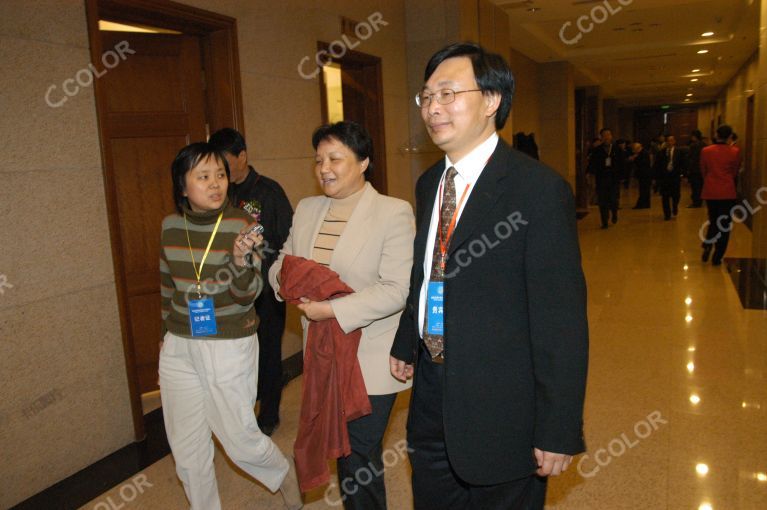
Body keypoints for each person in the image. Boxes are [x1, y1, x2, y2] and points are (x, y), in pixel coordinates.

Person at [390, 42, 588, 510]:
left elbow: (561, 321)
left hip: (502, 404)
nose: (433, 107)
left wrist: (558, 427)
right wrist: (406, 340)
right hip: (432, 398)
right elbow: (427, 272)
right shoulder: (429, 184)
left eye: (448, 93)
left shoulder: (537, 191)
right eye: (426, 96)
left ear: (492, 101)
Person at [269, 121, 415, 509]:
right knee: (343, 452)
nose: (325, 169)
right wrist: (288, 281)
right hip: (323, 356)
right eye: (318, 160)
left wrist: (329, 308)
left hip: (369, 357)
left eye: (335, 158)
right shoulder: (307, 208)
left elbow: (397, 289)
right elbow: (283, 265)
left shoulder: (393, 212)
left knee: (357, 453)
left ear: (364, 161)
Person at [159, 142, 302, 510]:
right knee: (186, 446)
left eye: (220, 175)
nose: (215, 184)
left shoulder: (241, 223)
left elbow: (248, 294)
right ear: (182, 186)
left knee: (237, 437)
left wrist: (240, 260)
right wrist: (166, 339)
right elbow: (166, 287)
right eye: (203, 176)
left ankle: (283, 473)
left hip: (227, 342)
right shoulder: (170, 226)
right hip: (179, 343)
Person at [209, 128, 294, 436]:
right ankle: (242, 409)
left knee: (268, 352)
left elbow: (288, 240)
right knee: (239, 354)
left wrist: (273, 274)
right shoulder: (220, 195)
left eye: (225, 164)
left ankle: (268, 414)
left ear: (242, 156)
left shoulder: (268, 192)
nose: (220, 173)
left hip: (266, 290)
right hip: (230, 290)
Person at [701, 124, 741, 266]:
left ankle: (708, 242)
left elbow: (704, 170)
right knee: (724, 224)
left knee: (713, 219)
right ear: (730, 136)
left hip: (711, 191)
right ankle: (717, 256)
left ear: (717, 135)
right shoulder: (734, 151)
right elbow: (735, 172)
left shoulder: (706, 151)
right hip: (727, 191)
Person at [588, 128, 622, 228]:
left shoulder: (616, 149)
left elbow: (621, 164)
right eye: (604, 135)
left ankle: (614, 213)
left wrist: (620, 176)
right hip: (602, 179)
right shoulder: (597, 150)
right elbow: (592, 164)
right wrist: (591, 175)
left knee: (613, 199)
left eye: (608, 135)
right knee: (602, 200)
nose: (606, 137)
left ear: (611, 136)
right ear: (601, 137)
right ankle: (604, 221)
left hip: (614, 179)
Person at [653, 134, 686, 220]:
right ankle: (667, 214)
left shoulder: (679, 152)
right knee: (665, 196)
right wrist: (656, 178)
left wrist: (683, 174)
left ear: (674, 141)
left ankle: (675, 206)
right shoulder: (661, 152)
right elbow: (657, 165)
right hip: (665, 178)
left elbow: (683, 163)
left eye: (671, 140)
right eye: (668, 141)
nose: (670, 142)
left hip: (675, 177)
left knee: (676, 195)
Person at [686, 130, 706, 208]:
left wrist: (688, 169)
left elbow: (690, 158)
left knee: (695, 187)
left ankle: (696, 202)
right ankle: (700, 201)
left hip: (694, 169)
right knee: (700, 186)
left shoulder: (693, 145)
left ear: (694, 136)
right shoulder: (704, 145)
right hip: (702, 169)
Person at [629, 142, 652, 209]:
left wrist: (635, 158)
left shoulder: (643, 153)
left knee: (643, 190)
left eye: (634, 149)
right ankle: (646, 204)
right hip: (644, 175)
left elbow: (643, 164)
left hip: (645, 175)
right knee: (645, 190)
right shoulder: (642, 153)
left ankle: (641, 205)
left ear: (638, 148)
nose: (634, 150)